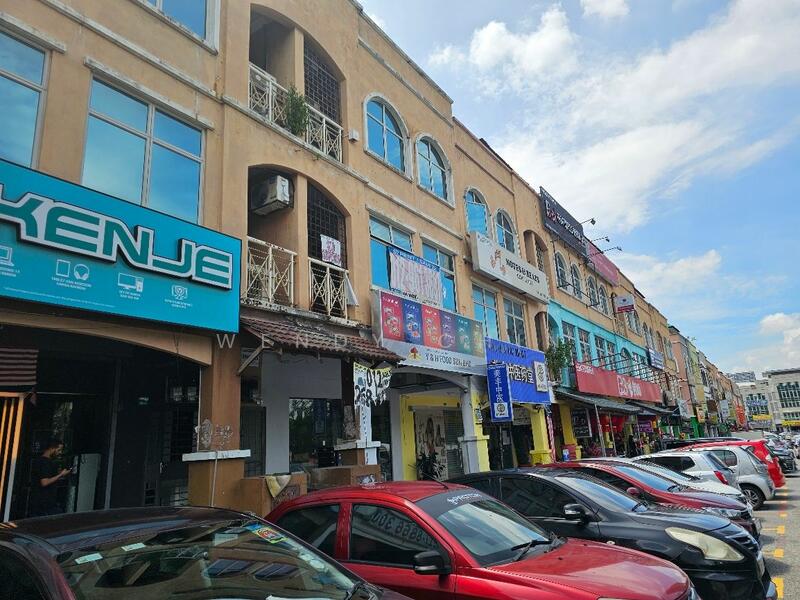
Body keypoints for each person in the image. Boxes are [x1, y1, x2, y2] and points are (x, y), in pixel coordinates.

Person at [29, 438, 71, 517]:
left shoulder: (40, 461)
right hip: (44, 504)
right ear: (52, 448)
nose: (60, 452)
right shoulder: (45, 463)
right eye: (59, 450)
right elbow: (44, 482)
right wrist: (60, 475)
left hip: (41, 503)